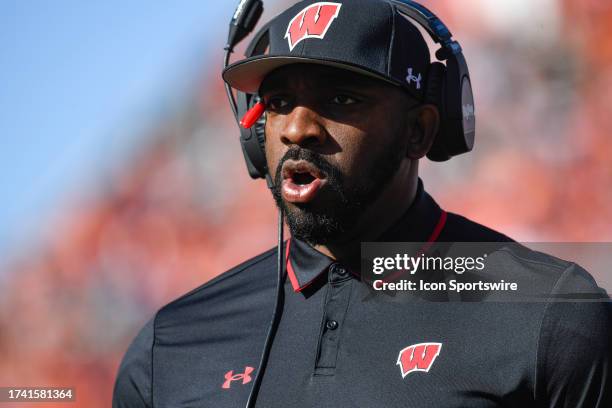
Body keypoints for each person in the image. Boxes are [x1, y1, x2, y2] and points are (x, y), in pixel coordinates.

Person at [113, 0, 612, 407]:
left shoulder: (552, 315)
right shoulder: (168, 349)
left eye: (342, 100)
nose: (296, 128)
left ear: (419, 132)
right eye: (280, 102)